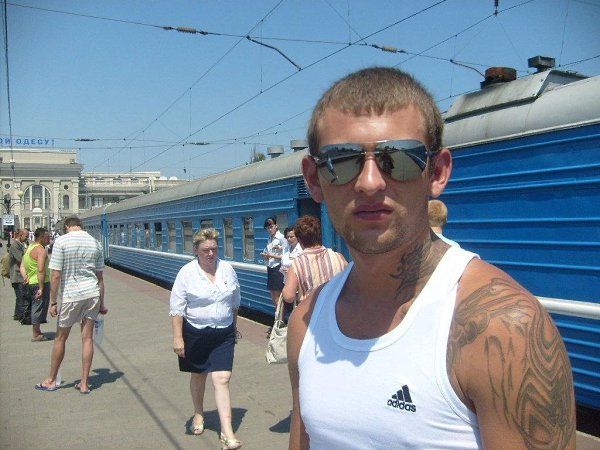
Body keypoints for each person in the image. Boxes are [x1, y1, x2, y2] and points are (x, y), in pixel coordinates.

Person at [287, 67, 576, 449]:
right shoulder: (306, 322)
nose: (370, 182)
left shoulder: (503, 327)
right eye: (341, 161)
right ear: (313, 179)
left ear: (437, 172)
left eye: (399, 158)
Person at [170, 228, 242, 450]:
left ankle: (227, 433)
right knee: (199, 375)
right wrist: (178, 338)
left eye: (214, 249)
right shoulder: (186, 273)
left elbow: (235, 302)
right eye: (205, 250)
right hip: (195, 333)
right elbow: (177, 308)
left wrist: (234, 327)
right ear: (196, 250)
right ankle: (199, 413)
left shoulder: (227, 269)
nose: (211, 254)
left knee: (222, 379)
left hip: (223, 333)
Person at [35, 216, 106, 393]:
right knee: (87, 339)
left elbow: (56, 275)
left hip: (71, 296)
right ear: (81, 226)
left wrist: (53, 302)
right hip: (92, 294)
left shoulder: (61, 242)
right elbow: (100, 278)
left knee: (60, 338)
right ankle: (84, 383)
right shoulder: (96, 243)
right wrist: (102, 303)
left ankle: (51, 380)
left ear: (67, 227)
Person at [282, 215, 347, 304]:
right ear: (319, 235)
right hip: (337, 308)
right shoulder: (339, 257)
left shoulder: (297, 264)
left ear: (299, 240)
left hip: (312, 310)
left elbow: (289, 297)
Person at [20, 227, 51, 341]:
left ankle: (37, 330)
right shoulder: (40, 251)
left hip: (31, 282)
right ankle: (36, 334)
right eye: (47, 237)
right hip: (40, 282)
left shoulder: (29, 248)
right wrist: (41, 288)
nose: (49, 240)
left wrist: (25, 277)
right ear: (41, 237)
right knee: (38, 307)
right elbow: (41, 270)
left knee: (35, 306)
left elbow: (22, 265)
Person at [260, 216, 286, 307]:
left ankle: (280, 315)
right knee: (273, 295)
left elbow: (286, 256)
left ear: (276, 226)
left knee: (278, 296)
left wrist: (270, 256)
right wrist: (265, 255)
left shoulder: (282, 238)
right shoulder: (269, 238)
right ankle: (277, 314)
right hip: (270, 267)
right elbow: (269, 252)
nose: (270, 229)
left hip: (278, 268)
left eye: (271, 227)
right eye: (268, 228)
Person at [8, 228, 28, 321]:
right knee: (21, 296)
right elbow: (20, 259)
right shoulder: (15, 245)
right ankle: (22, 316)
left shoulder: (22, 244)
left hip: (20, 275)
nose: (27, 238)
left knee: (20, 296)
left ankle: (17, 314)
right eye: (26, 236)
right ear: (21, 235)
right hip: (17, 275)